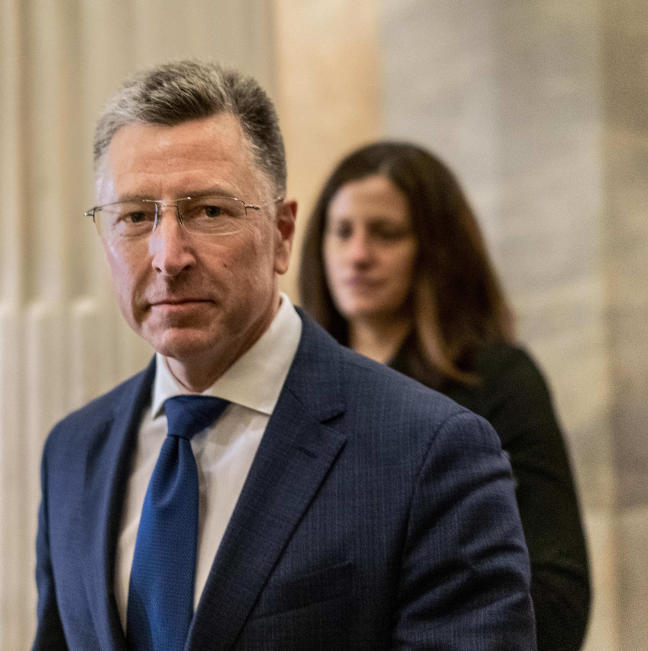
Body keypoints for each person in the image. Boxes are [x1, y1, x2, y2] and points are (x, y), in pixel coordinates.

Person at [35, 61, 535, 650]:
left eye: (209, 211)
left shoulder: (430, 451)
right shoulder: (73, 452)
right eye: (137, 217)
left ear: (282, 233)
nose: (169, 256)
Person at [298, 140, 590, 650]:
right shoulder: (291, 386)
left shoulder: (499, 379)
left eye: (385, 234)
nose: (358, 254)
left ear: (436, 249)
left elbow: (558, 590)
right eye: (341, 231)